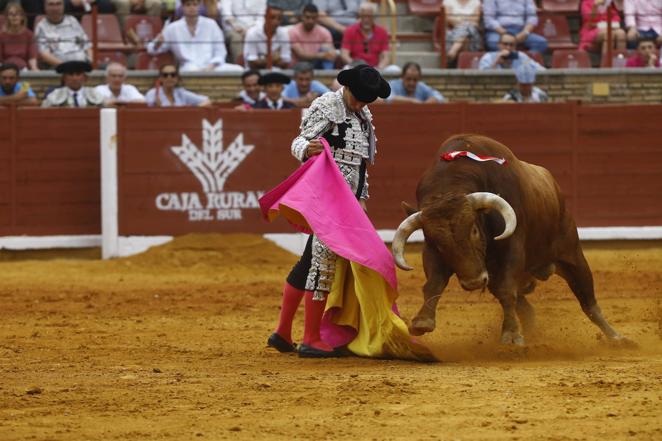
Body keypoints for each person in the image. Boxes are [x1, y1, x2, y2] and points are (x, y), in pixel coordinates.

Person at [267, 64, 390, 357]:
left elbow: (360, 164)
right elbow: (298, 140)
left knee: (309, 262)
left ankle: (283, 333)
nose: (361, 104)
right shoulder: (327, 106)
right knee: (321, 264)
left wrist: (361, 198)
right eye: (358, 98)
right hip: (326, 199)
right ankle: (311, 338)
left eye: (366, 100)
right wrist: (305, 149)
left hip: (348, 205)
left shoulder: (363, 114)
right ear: (346, 88)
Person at [147, 0, 243, 72]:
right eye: (188, 5)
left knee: (238, 70)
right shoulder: (173, 28)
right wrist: (158, 43)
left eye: (195, 4)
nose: (192, 8)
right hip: (188, 68)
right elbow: (152, 49)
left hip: (213, 66)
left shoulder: (211, 24)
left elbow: (220, 51)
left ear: (199, 6)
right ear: (182, 7)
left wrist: (211, 66)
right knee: (190, 71)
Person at [34, 0, 91, 68]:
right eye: (51, 4)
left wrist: (91, 61)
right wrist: (66, 67)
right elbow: (44, 54)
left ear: (63, 6)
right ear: (45, 7)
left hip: (83, 65)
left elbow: (87, 46)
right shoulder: (41, 27)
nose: (55, 8)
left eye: (58, 4)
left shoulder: (72, 20)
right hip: (60, 69)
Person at [483, 0, 548, 54]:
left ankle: (524, 63)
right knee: (493, 43)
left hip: (520, 30)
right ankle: (509, 65)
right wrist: (505, 34)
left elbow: (532, 17)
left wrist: (525, 32)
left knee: (541, 43)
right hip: (498, 31)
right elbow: (489, 19)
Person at [340, 2, 392, 69]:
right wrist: (355, 65)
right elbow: (344, 55)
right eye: (363, 16)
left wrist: (379, 68)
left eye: (369, 16)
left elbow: (386, 57)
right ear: (360, 16)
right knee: (346, 69)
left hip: (375, 68)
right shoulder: (350, 30)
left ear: (374, 17)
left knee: (394, 69)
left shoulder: (382, 32)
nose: (366, 19)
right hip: (355, 67)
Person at [289, 3, 337, 70]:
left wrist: (327, 54)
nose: (310, 21)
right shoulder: (293, 31)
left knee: (327, 51)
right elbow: (301, 55)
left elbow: (331, 53)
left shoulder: (324, 32)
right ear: (302, 17)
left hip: (316, 64)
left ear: (317, 18)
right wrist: (322, 55)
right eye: (307, 17)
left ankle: (328, 73)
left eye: (313, 18)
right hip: (299, 65)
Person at [145, 63, 212, 107]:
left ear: (177, 78)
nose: (169, 77)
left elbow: (207, 101)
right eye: (165, 75)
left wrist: (191, 110)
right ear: (160, 78)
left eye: (173, 75)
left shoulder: (181, 93)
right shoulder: (152, 93)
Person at [0, 3, 38, 71]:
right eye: (11, 14)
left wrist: (34, 69)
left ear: (22, 17)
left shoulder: (29, 35)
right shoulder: (1, 36)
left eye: (17, 14)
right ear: (7, 17)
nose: (14, 16)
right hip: (5, 70)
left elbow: (32, 57)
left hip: (24, 69)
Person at [479, 33, 546, 70]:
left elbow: (539, 69)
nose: (508, 47)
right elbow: (482, 78)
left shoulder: (520, 56)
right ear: (499, 45)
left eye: (511, 45)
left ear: (515, 47)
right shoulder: (488, 57)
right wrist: (496, 63)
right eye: (505, 44)